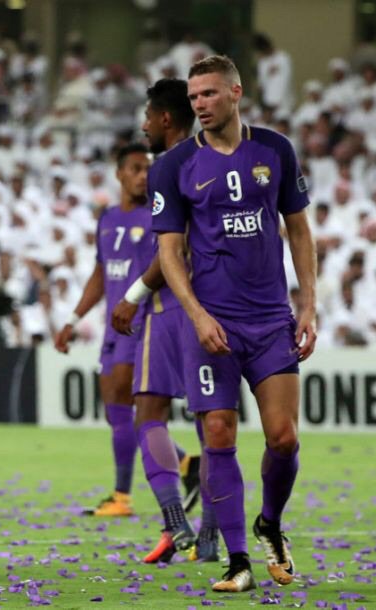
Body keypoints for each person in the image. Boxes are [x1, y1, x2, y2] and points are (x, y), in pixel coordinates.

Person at [153, 55, 316, 592]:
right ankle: (238, 561)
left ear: (236, 93)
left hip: (271, 321)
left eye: (208, 94)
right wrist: (196, 314)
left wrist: (309, 305)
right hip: (212, 326)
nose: (199, 104)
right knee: (219, 433)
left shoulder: (275, 150)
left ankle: (269, 522)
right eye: (194, 97)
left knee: (284, 439)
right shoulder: (174, 166)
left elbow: (298, 229)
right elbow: (170, 252)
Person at [112, 78, 212, 564]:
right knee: (214, 422)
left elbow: (170, 249)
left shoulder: (166, 167)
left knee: (148, 413)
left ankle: (177, 523)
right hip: (217, 304)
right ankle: (212, 536)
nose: (144, 125)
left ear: (165, 119)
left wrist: (133, 294)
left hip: (170, 304)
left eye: (148, 117)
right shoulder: (217, 157)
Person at [54, 143, 152, 517]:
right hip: (112, 326)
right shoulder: (108, 218)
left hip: (140, 324)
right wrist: (72, 320)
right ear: (120, 174)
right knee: (116, 413)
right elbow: (99, 273)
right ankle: (186, 464)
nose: (144, 175)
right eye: (136, 168)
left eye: (147, 169)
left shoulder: (156, 218)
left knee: (125, 407)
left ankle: (122, 497)